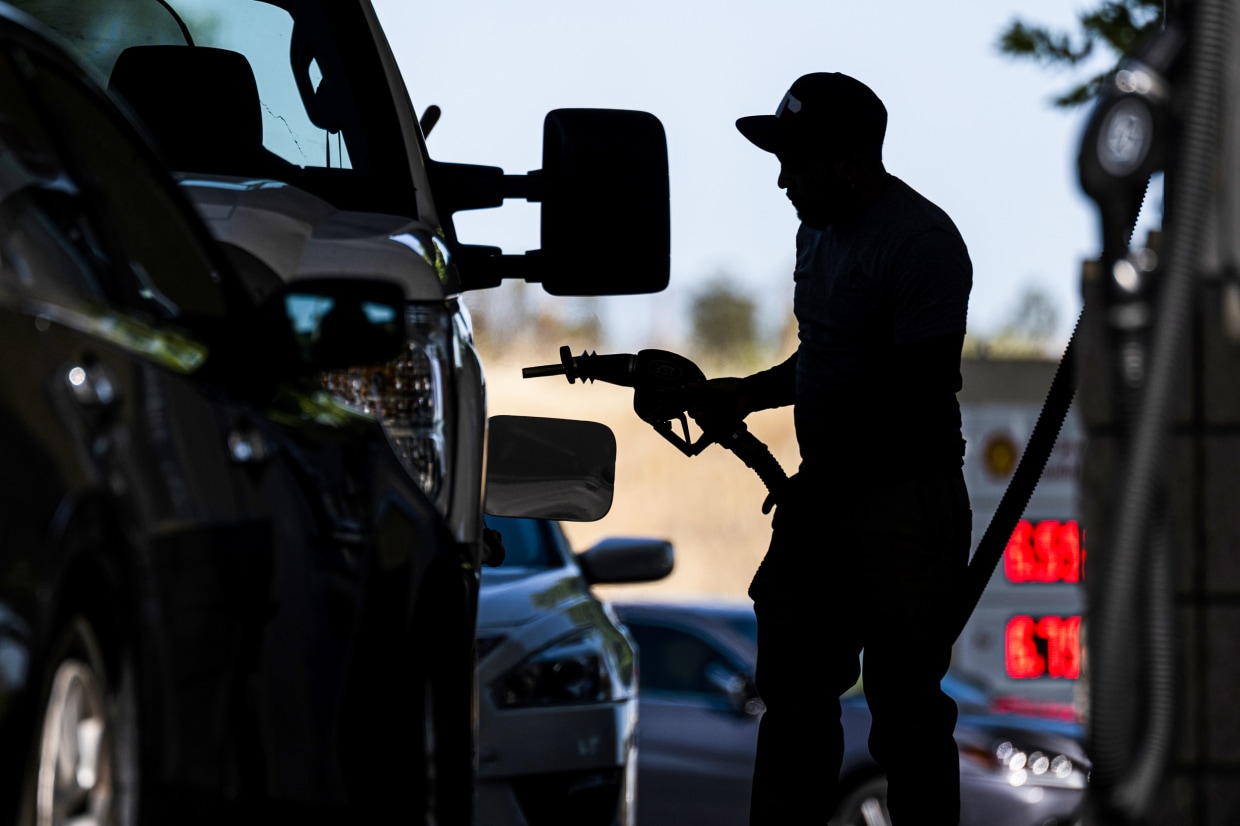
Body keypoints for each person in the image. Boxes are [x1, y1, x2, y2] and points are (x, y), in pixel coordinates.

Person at [692, 73, 973, 825]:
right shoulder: (814, 233)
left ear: (849, 163)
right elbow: (827, 360)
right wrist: (741, 394)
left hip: (902, 507)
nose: (783, 180)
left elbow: (915, 393)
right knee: (793, 701)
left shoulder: (922, 243)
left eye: (798, 162)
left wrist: (828, 485)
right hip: (829, 499)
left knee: (906, 713)